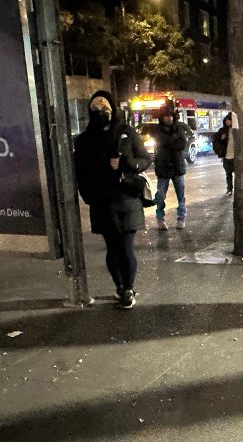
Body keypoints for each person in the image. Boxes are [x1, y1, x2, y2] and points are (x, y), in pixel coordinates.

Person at [75, 90, 150, 309]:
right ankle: (119, 286)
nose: (100, 112)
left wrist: (126, 164)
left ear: (112, 110)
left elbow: (144, 159)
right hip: (102, 201)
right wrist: (88, 195)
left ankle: (128, 288)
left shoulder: (126, 132)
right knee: (112, 248)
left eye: (104, 108)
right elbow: (81, 172)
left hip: (126, 197)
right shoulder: (85, 140)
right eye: (95, 109)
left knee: (126, 247)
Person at [153, 102, 188, 230]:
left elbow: (182, 144)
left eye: (170, 116)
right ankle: (160, 218)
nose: (168, 118)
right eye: (166, 116)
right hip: (163, 166)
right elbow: (162, 141)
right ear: (162, 117)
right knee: (160, 194)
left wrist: (171, 143)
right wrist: (175, 140)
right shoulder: (158, 129)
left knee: (181, 194)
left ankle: (181, 218)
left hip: (177, 166)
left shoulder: (179, 128)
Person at [212, 112, 237, 197]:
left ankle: (236, 189)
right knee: (228, 174)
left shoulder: (237, 130)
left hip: (235, 157)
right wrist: (221, 139)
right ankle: (229, 189)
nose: (227, 122)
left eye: (229, 120)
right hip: (226, 156)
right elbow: (216, 140)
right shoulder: (223, 131)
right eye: (226, 120)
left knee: (237, 174)